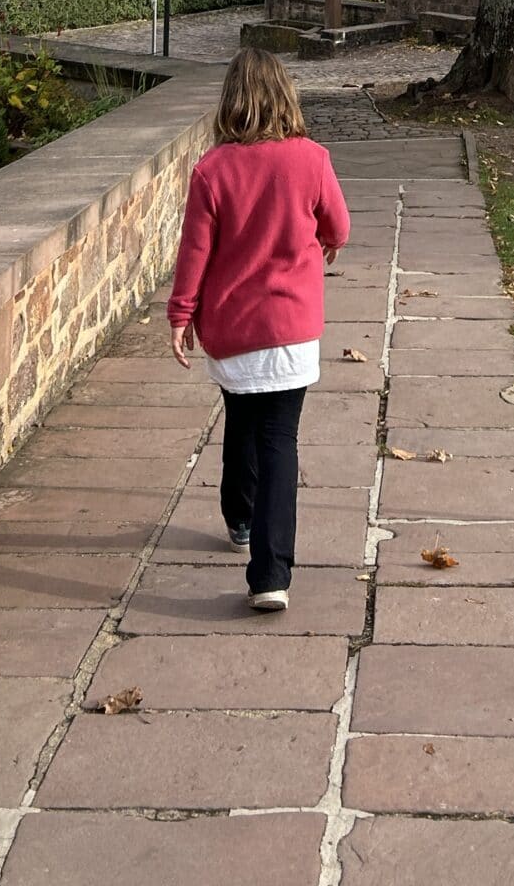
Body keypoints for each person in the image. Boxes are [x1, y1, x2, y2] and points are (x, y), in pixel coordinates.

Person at [167, 48, 350, 612]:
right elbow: (338, 226)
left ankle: (239, 516)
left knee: (241, 417)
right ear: (286, 96)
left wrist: (181, 314)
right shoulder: (311, 159)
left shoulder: (212, 170)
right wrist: (327, 244)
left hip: (232, 327)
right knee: (279, 439)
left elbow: (194, 252)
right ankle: (271, 573)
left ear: (231, 102)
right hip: (291, 329)